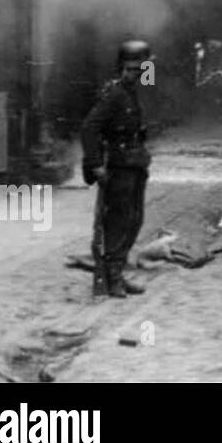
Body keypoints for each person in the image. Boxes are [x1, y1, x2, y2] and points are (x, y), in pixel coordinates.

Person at [81, 40, 153, 299]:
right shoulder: (113, 94)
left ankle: (118, 273)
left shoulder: (133, 92)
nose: (134, 74)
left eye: (139, 70)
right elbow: (89, 128)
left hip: (135, 165)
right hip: (119, 167)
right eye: (130, 69)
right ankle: (111, 278)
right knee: (118, 223)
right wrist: (96, 165)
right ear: (121, 68)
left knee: (135, 220)